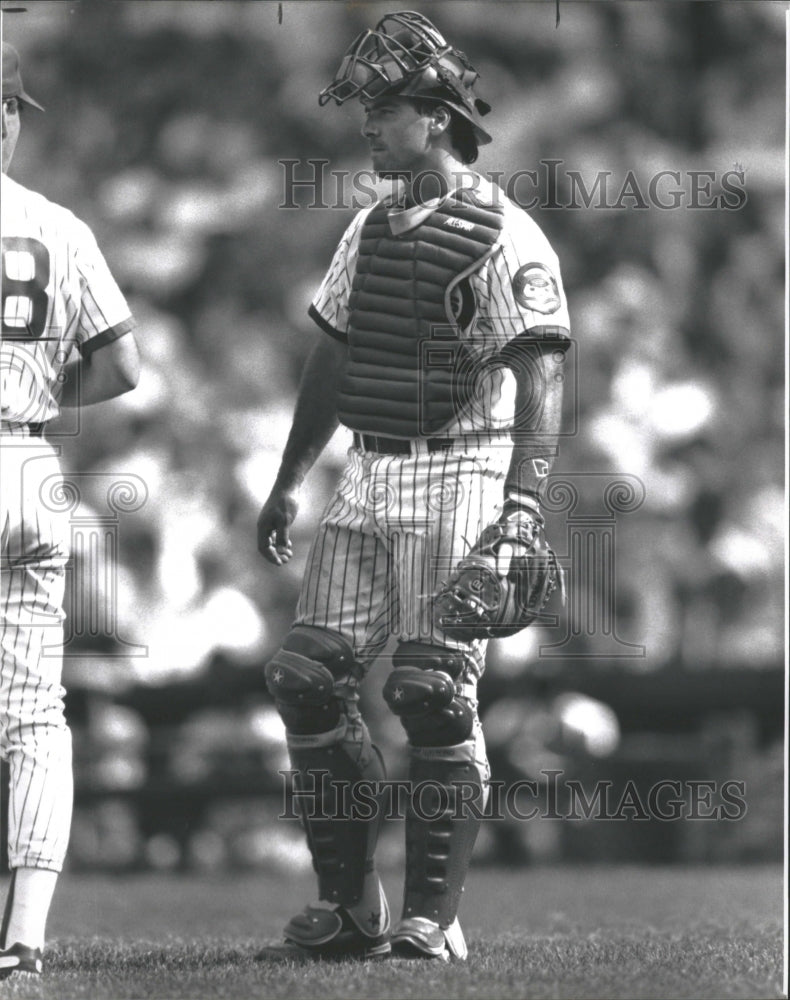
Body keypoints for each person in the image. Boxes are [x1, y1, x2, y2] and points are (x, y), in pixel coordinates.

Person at [257, 11, 569, 962]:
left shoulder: (506, 232)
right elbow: (333, 356)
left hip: (462, 464)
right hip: (368, 469)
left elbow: (545, 372)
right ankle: (351, 907)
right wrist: (287, 478)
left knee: (432, 690)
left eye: (383, 109)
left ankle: (433, 917)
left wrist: (523, 502)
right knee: (304, 677)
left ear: (434, 117)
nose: (366, 125)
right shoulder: (368, 225)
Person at [0, 40, 140, 979]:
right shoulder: (58, 224)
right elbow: (125, 366)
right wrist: (41, 396)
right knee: (33, 717)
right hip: (26, 460)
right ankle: (24, 937)